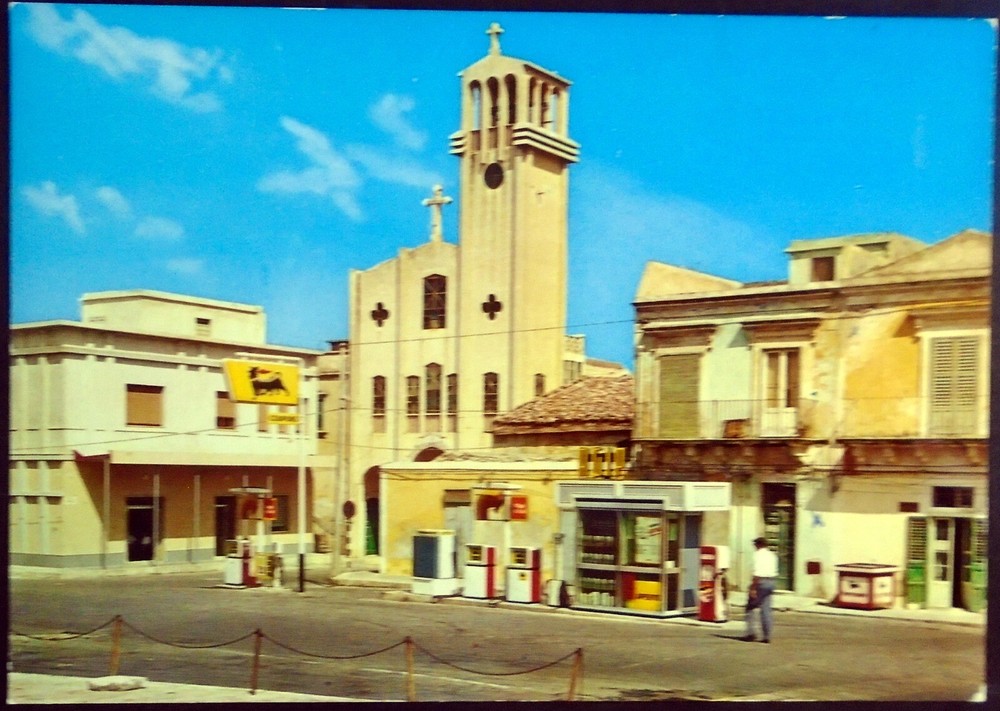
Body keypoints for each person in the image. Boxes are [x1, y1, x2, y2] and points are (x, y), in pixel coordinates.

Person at [743, 536, 778, 643]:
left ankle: (751, 633)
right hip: (771, 582)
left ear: (758, 545)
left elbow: (757, 573)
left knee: (751, 607)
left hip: (760, 582)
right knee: (766, 610)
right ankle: (767, 636)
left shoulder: (757, 555)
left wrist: (753, 588)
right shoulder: (772, 555)